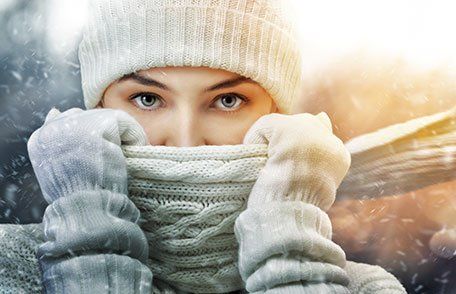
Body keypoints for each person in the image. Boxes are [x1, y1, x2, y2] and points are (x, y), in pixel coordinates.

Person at [0, 0, 406, 293]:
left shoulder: (365, 288)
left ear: (276, 117)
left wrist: (291, 256)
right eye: (147, 98)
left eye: (227, 100)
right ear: (98, 110)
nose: (185, 141)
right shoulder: (9, 267)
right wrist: (86, 237)